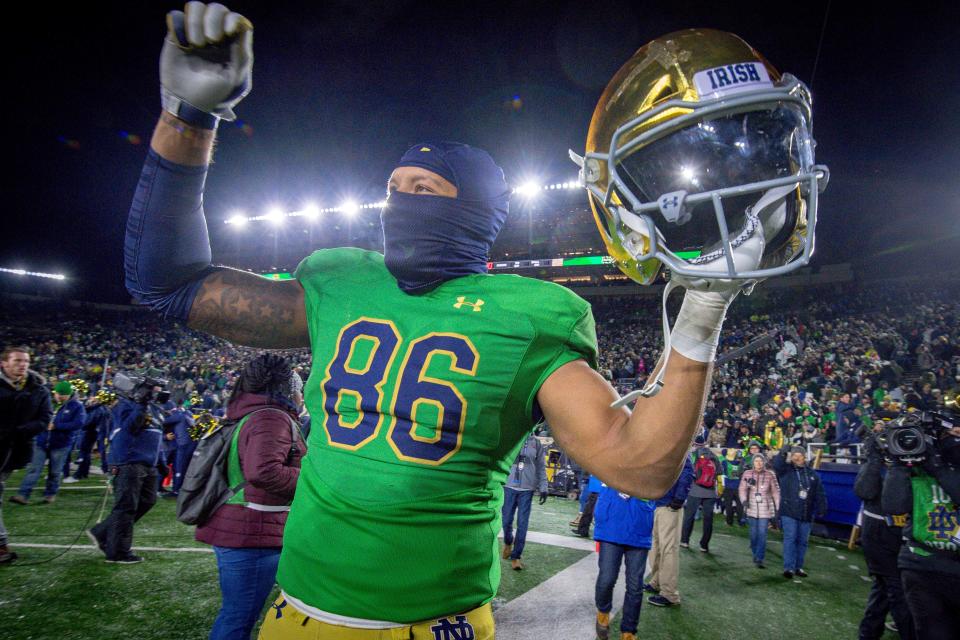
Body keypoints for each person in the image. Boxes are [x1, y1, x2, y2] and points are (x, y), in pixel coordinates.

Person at [124, 7, 826, 635]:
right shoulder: (339, 282)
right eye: (394, 188)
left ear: (476, 215)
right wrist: (189, 117)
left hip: (434, 623)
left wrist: (701, 315)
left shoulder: (531, 315)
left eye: (423, 190)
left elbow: (638, 466)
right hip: (297, 609)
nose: (400, 202)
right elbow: (165, 283)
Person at [196, 354, 306, 640]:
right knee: (239, 617)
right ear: (287, 388)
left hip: (246, 527)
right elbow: (264, 472)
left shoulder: (254, 414)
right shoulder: (271, 417)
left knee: (238, 614)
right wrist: (312, 480)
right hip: (252, 531)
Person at [880, 413, 960, 640]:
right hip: (922, 564)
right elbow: (894, 506)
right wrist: (898, 464)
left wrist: (938, 465)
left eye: (951, 434)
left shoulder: (937, 463)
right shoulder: (917, 464)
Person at [87, 380, 165, 563]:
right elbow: (131, 427)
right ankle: (117, 552)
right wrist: (140, 404)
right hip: (129, 461)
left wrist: (160, 461)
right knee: (126, 507)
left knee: (147, 501)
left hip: (148, 463)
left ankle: (102, 532)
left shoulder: (155, 409)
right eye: (153, 391)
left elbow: (157, 435)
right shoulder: (124, 406)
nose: (156, 394)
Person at [854, 430, 915, 640]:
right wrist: (874, 458)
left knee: (882, 591)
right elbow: (865, 491)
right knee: (898, 593)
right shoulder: (878, 465)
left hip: (904, 537)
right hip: (881, 538)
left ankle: (868, 633)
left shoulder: (919, 461)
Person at [0, 346, 53, 563]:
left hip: (14, 450)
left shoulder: (38, 390)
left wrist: (20, 431)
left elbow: (44, 418)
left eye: (26, 361)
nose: (22, 365)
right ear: (3, 363)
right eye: (17, 360)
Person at [593, 482, 656, 640]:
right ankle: (603, 611)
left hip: (639, 522)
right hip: (611, 521)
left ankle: (629, 631)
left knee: (635, 585)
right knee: (607, 577)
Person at [11, 380, 86, 505]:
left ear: (70, 394)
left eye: (63, 394)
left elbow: (78, 423)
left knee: (55, 472)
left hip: (60, 444)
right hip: (41, 441)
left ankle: (50, 494)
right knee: (33, 469)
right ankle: (23, 495)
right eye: (58, 394)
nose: (59, 396)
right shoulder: (48, 401)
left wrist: (57, 426)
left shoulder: (77, 406)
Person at [645, 455, 694, 607]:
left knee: (668, 549)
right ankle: (656, 582)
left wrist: (678, 499)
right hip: (656, 503)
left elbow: (687, 471)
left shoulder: (678, 447)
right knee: (655, 547)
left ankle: (669, 593)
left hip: (669, 505)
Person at [771, 445, 827, 578]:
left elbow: (819, 492)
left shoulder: (812, 474)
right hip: (789, 511)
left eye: (799, 455)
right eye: (794, 455)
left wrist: (822, 506)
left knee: (802, 541)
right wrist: (783, 453)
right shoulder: (786, 470)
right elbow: (777, 465)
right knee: (790, 539)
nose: (796, 458)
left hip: (806, 512)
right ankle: (788, 568)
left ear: (804, 457)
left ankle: (798, 567)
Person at [501, 431, 548, 571]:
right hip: (509, 487)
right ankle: (508, 542)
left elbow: (541, 466)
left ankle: (516, 556)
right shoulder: (510, 438)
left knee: (523, 523)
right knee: (506, 520)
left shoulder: (536, 443)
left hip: (527, 490)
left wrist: (544, 486)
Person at [738, 453, 780, 568]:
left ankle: (759, 557)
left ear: (764, 462)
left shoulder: (770, 475)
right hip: (751, 508)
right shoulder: (747, 473)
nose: (759, 463)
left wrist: (777, 508)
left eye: (761, 461)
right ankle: (755, 551)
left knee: (762, 534)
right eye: (756, 461)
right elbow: (742, 489)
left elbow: (776, 492)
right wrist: (743, 501)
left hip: (765, 510)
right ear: (753, 463)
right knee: (753, 534)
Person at [680, 441, 722, 553]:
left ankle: (684, 540)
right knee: (708, 520)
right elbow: (720, 473)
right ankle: (704, 545)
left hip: (694, 490)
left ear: (695, 444)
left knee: (689, 517)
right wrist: (719, 491)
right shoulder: (713, 456)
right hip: (711, 492)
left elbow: (688, 472)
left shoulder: (692, 455)